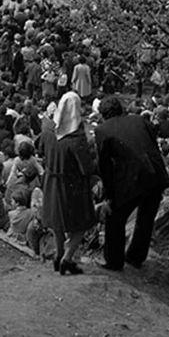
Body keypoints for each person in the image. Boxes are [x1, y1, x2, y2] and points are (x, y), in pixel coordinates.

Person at [94, 95, 169, 271]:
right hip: (154, 174)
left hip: (132, 179)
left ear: (103, 114)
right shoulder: (139, 119)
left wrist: (109, 194)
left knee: (115, 219)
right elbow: (151, 144)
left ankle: (114, 261)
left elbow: (104, 166)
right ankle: (136, 257)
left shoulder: (102, 130)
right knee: (146, 218)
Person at [41, 91, 97, 275]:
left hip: (51, 180)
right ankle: (67, 258)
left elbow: (41, 150)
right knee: (81, 224)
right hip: (72, 186)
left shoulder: (48, 130)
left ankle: (59, 255)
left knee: (57, 221)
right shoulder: (76, 138)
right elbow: (86, 168)